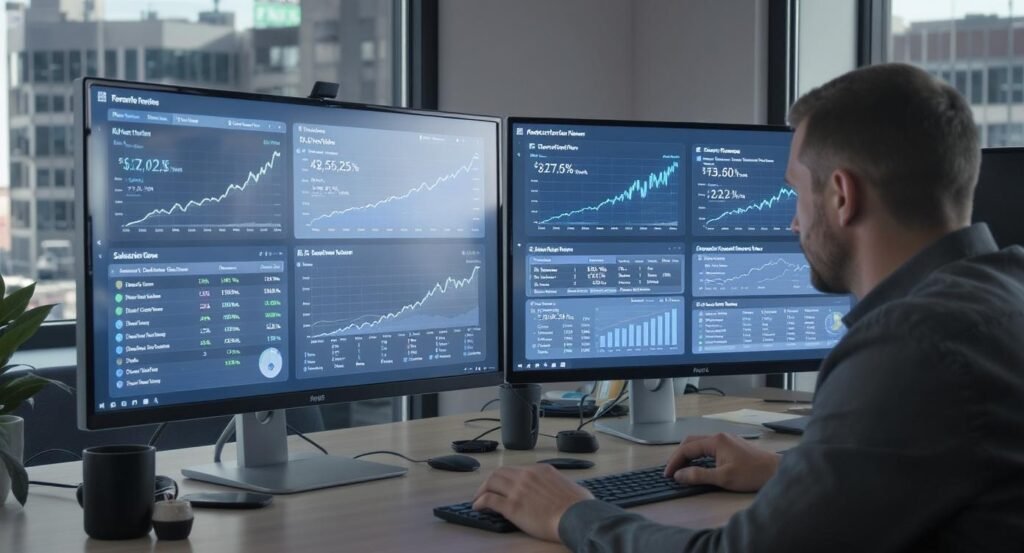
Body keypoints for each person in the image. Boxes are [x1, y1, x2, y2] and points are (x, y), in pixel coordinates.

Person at [472, 63, 1024, 551]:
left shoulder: (909, 346)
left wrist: (570, 513)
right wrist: (790, 472)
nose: (792, 222)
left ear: (840, 195)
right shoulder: (1004, 294)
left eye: (794, 193)